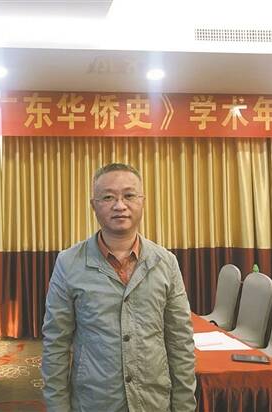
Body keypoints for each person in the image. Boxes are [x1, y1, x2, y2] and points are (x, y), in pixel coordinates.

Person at [41, 163, 196, 412]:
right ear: (94, 205)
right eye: (108, 197)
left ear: (142, 201)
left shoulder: (166, 262)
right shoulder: (68, 263)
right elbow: (56, 343)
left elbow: (180, 341)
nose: (119, 205)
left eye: (129, 195)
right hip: (94, 403)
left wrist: (184, 406)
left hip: (153, 402)